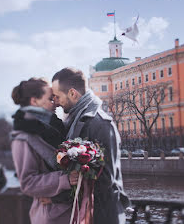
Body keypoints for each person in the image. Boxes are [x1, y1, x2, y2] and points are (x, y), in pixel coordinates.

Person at [52, 68, 130, 224]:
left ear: (72, 93)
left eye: (57, 96)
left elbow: (105, 180)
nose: (55, 102)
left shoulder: (100, 123)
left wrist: (57, 196)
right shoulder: (77, 118)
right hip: (88, 213)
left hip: (101, 216)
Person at [11, 77, 78, 224]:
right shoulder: (22, 138)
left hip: (66, 213)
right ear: (34, 101)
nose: (56, 103)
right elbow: (28, 183)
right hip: (50, 216)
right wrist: (65, 179)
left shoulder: (54, 127)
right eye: (50, 99)